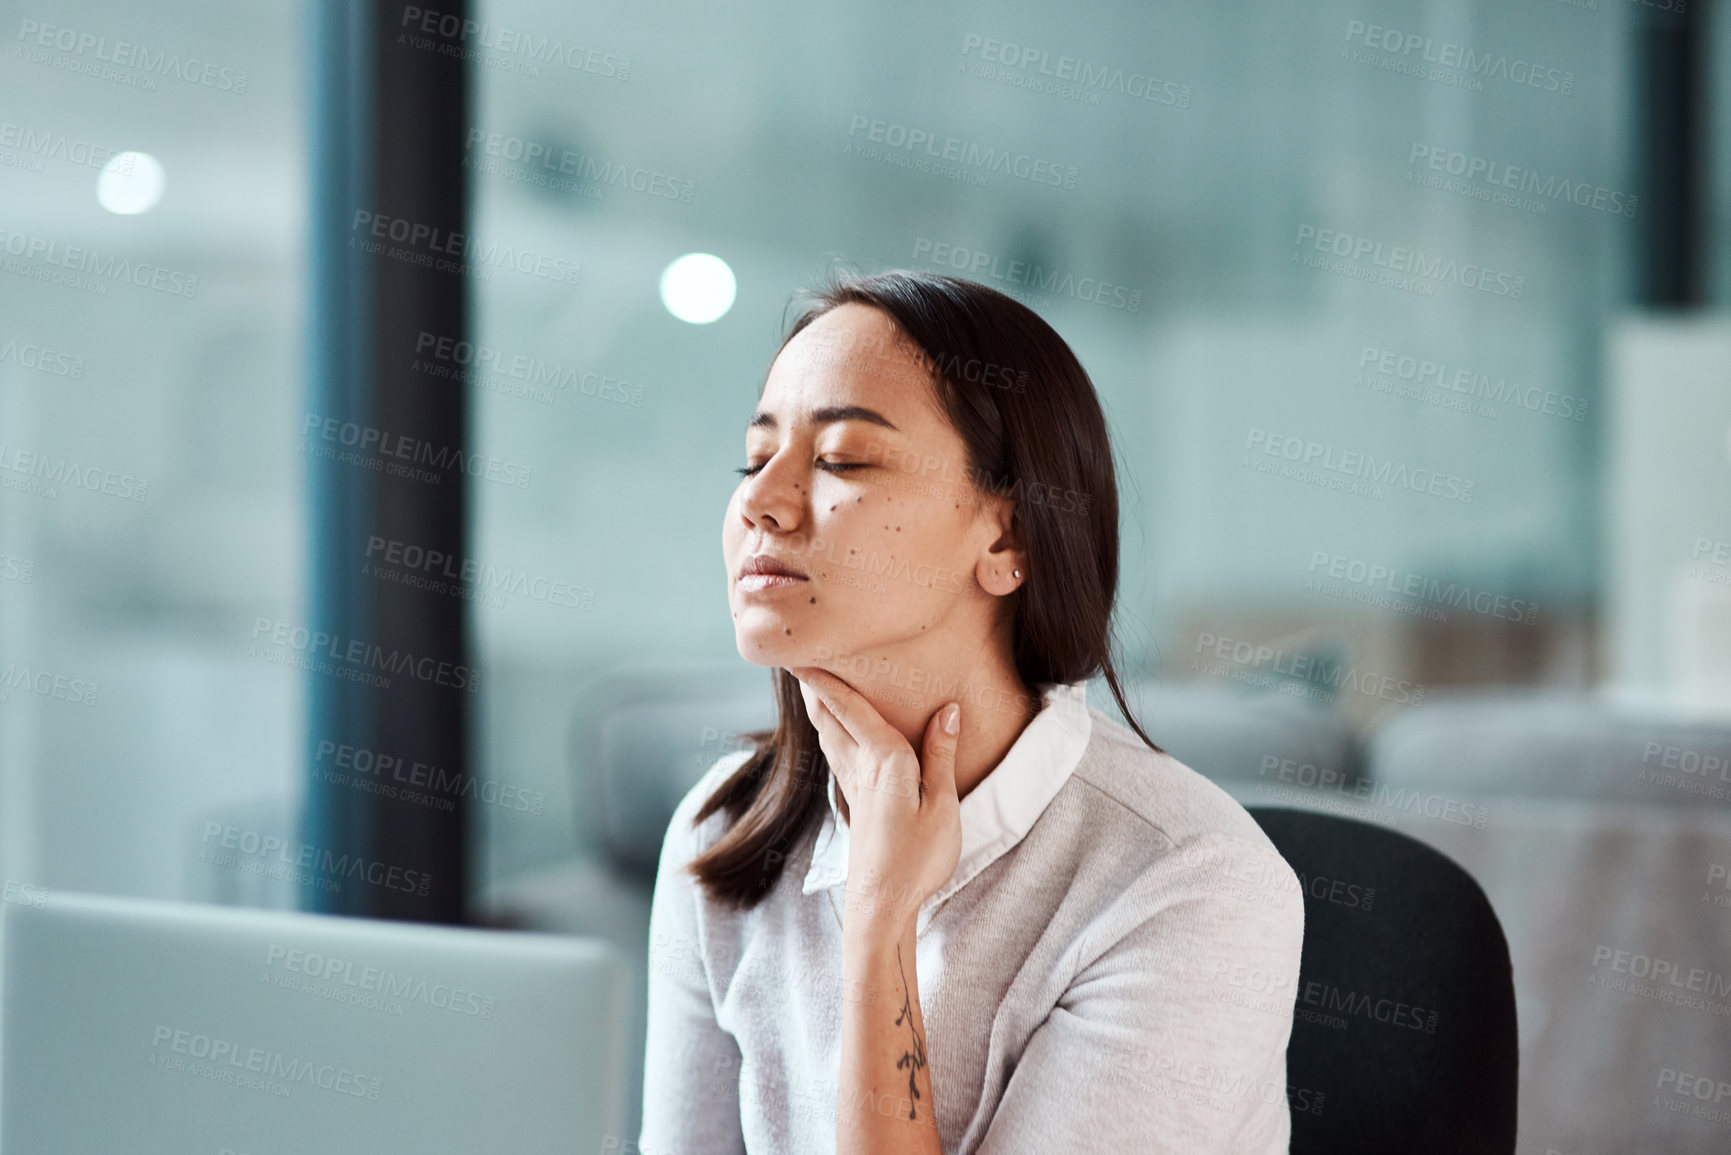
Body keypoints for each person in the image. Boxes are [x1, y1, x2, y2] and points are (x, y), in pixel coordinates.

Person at [638, 269, 1305, 1154]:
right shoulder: (721, 828)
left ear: (1008, 538)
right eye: (754, 457)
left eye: (842, 459)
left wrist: (880, 922)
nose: (762, 498)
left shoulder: (1192, 885)